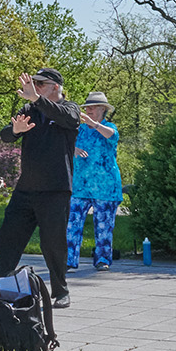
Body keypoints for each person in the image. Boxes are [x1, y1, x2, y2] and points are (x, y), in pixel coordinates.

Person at [0, 69, 80, 308]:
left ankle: (60, 291)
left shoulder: (70, 109)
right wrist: (15, 131)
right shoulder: (30, 110)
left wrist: (35, 98)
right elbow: (5, 134)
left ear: (55, 86)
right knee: (8, 239)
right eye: (34, 83)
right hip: (26, 189)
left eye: (40, 84)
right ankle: (1, 290)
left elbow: (67, 118)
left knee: (53, 243)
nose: (35, 87)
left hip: (56, 189)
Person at [66, 92, 122, 270]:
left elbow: (111, 135)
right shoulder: (79, 130)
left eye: (92, 107)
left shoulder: (109, 127)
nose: (88, 110)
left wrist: (95, 125)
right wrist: (72, 149)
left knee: (104, 227)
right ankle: (68, 260)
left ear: (102, 109)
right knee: (71, 225)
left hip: (105, 188)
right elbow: (63, 143)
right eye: (87, 108)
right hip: (80, 186)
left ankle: (102, 260)